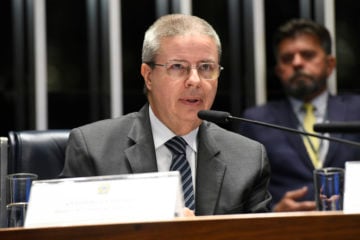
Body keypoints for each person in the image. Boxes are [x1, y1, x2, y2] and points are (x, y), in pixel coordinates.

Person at [61, 14, 272, 215]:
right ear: (149, 76)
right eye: (178, 67)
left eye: (206, 67)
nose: (195, 80)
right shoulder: (93, 150)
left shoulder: (248, 158)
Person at [236, 18, 360, 212]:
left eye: (308, 55)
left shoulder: (357, 110)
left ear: (330, 64)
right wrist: (274, 214)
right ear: (278, 70)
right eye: (287, 58)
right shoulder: (255, 121)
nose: (297, 63)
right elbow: (240, 197)